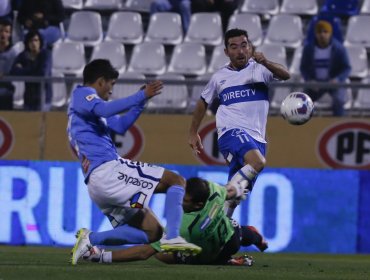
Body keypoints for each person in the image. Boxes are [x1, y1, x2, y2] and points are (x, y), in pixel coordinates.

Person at [68, 59, 203, 265]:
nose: (111, 91)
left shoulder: (88, 112)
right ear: (101, 81)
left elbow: (121, 125)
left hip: (99, 185)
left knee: (152, 232)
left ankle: (91, 240)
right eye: (111, 85)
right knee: (176, 180)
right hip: (109, 172)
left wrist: (142, 102)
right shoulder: (82, 95)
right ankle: (173, 237)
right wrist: (141, 94)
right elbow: (104, 110)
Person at [188, 28, 290, 216]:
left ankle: (214, 228)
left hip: (257, 139)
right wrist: (193, 132)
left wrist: (265, 61)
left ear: (250, 48)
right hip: (231, 132)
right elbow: (203, 101)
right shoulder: (219, 77)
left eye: (244, 45)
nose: (240, 51)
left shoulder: (261, 69)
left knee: (234, 200)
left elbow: (286, 75)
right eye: (234, 47)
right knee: (257, 162)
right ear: (227, 52)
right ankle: (214, 195)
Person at [81, 177, 267, 265]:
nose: (178, 202)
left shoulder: (183, 228)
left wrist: (103, 257)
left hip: (211, 251)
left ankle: (227, 260)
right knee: (241, 232)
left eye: (184, 201)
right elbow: (230, 191)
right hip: (230, 239)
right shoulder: (214, 191)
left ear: (197, 204)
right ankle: (255, 239)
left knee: (161, 254)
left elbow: (144, 252)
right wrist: (240, 189)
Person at [300, 20, 351, 117]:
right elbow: (303, 68)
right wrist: (309, 80)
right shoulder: (308, 49)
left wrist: (338, 79)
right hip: (315, 83)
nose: (322, 35)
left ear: (330, 33)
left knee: (339, 101)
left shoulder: (339, 49)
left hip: (333, 83)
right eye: (319, 32)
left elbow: (346, 68)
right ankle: (304, 126)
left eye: (325, 32)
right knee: (303, 101)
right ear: (315, 34)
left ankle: (339, 124)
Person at [10, 29, 51, 111]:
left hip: (43, 97)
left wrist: (23, 69)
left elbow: (42, 73)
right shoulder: (23, 55)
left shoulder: (46, 55)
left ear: (40, 42)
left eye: (36, 40)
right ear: (27, 43)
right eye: (31, 41)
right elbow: (13, 71)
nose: (33, 43)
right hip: (28, 98)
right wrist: (33, 70)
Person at [0, 18, 17, 110]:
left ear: (10, 34)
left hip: (6, 92)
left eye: (6, 31)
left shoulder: (13, 53)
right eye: (1, 31)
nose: (3, 34)